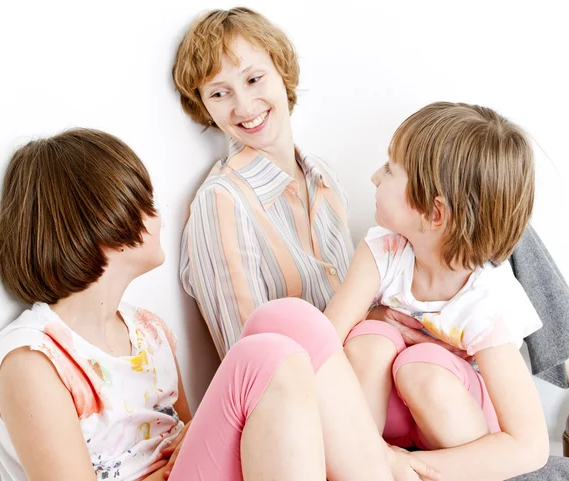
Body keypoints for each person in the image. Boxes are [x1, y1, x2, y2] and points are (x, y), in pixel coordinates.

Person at [173, 8, 569, 479]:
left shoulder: (324, 179)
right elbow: (278, 347)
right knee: (367, 338)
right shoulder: (225, 202)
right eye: (219, 93)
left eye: (254, 78)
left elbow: (526, 443)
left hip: (423, 399)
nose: (242, 105)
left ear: (282, 72)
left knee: (426, 352)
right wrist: (379, 323)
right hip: (323, 395)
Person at [0, 128, 438, 481]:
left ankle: (378, 470)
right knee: (263, 356)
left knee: (284, 317)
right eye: (142, 202)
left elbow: (188, 436)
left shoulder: (148, 330)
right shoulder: (35, 359)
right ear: (98, 223)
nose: (159, 215)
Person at [324, 102, 548, 479]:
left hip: (456, 433)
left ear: (434, 213)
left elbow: (530, 445)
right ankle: (358, 467)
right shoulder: (383, 251)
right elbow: (324, 342)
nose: (375, 176)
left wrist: (410, 466)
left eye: (391, 169)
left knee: (421, 368)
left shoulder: (487, 300)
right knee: (370, 339)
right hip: (384, 427)